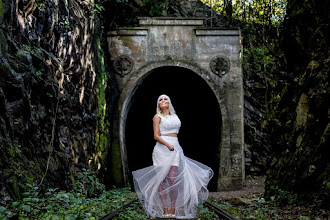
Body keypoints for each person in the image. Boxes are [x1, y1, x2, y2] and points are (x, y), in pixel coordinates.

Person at [132, 94, 213, 219]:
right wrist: (167, 144)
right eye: (160, 99)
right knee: (161, 180)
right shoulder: (157, 117)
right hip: (162, 149)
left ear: (169, 102)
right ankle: (165, 209)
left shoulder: (175, 116)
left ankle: (173, 208)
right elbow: (156, 136)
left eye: (165, 99)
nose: (163, 101)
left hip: (175, 148)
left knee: (172, 180)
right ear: (158, 104)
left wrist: (172, 145)